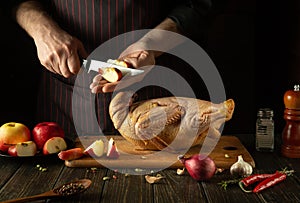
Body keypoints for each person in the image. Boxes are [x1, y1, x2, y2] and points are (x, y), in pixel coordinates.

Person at [12, 0, 213, 138]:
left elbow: (198, 4)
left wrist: (150, 45)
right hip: (67, 102)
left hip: (157, 89)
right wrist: (42, 29)